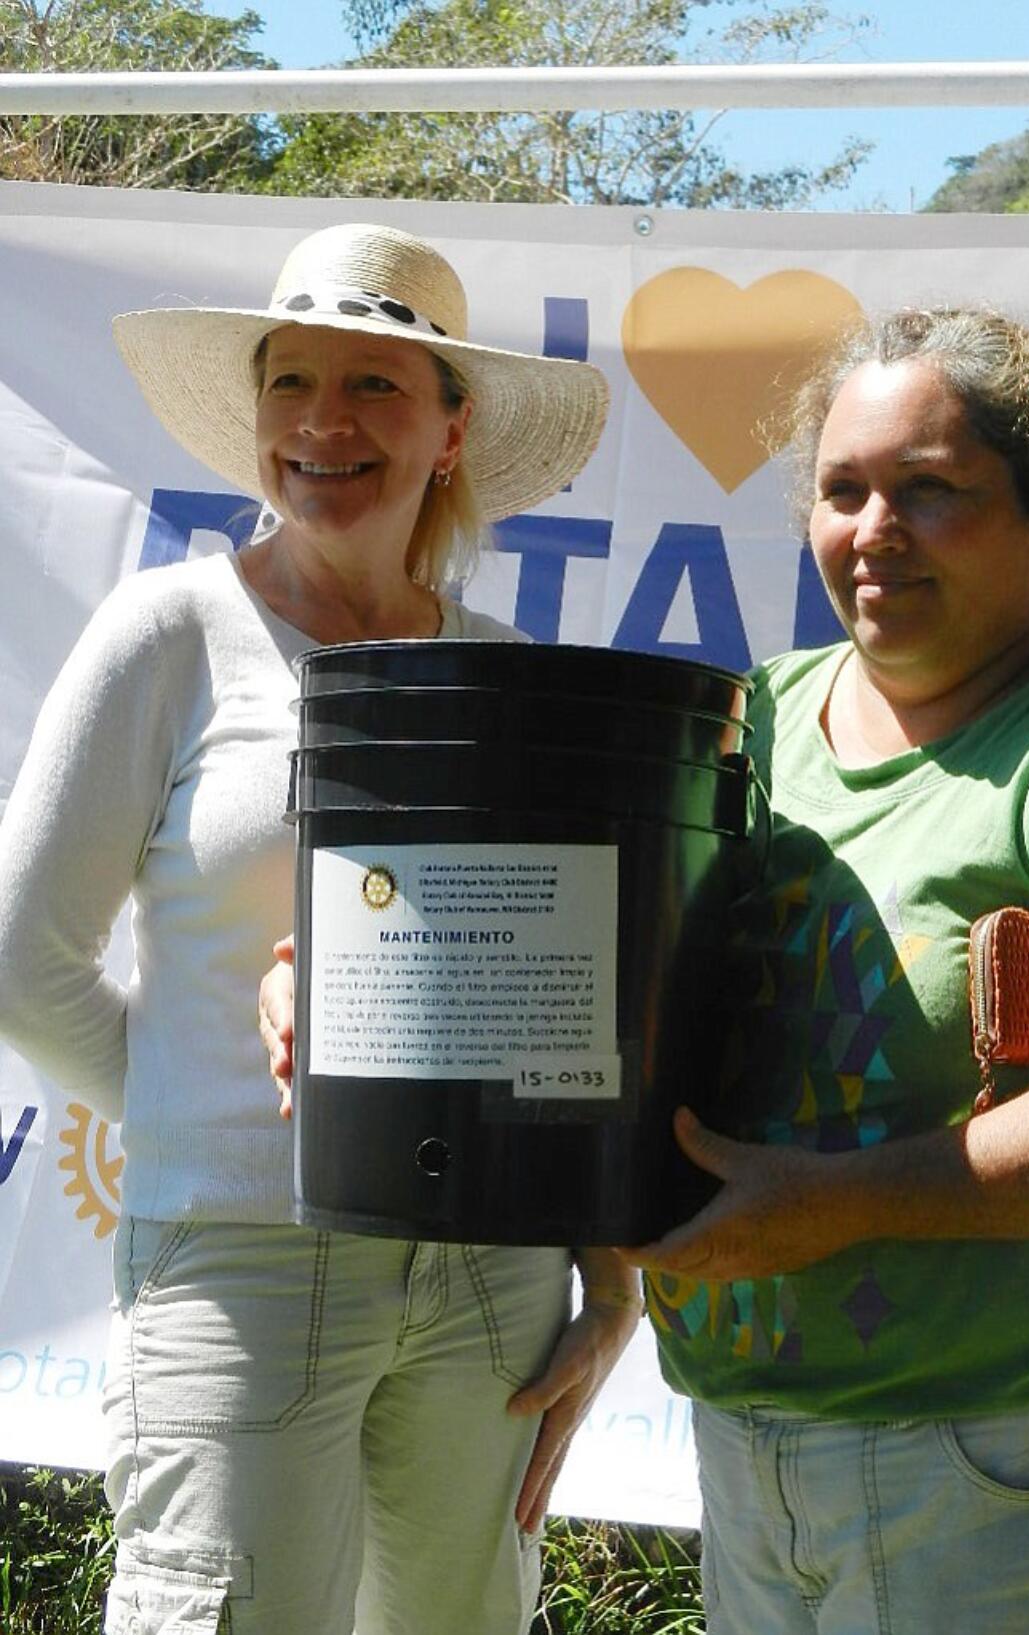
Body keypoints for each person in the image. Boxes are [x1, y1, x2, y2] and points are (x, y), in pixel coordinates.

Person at [0, 222, 643, 1635]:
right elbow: (24, 966)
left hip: (492, 1277)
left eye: (374, 387)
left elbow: (560, 1006)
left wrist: (611, 1274)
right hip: (239, 1261)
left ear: (450, 431)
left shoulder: (507, 673)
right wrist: (240, 1118)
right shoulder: (168, 635)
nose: (322, 423)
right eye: (291, 381)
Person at [622, 306, 1029, 1634]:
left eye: (929, 491)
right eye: (841, 491)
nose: (872, 531)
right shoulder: (754, 719)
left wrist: (840, 1203)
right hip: (742, 1438)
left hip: (1005, 1466)